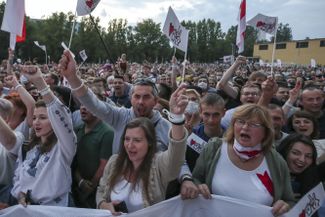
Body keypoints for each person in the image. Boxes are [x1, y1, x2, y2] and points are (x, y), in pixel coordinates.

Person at [96, 85, 188, 215]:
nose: (130, 145)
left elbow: (176, 155)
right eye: (127, 139)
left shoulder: (158, 165)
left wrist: (177, 118)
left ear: (150, 143)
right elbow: (101, 190)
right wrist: (103, 204)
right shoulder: (114, 162)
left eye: (137, 140)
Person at [58, 50, 171, 154]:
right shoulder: (120, 116)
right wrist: (72, 78)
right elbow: (94, 104)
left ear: (156, 100)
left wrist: (185, 176)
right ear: (130, 98)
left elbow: (179, 162)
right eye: (137, 96)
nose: (140, 101)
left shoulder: (167, 127)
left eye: (146, 97)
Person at [192, 104, 295, 216]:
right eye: (240, 121)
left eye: (254, 124)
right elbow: (196, 179)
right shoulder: (214, 148)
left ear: (266, 131)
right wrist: (198, 186)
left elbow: (288, 200)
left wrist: (285, 206)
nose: (245, 127)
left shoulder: (276, 161)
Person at [5, 65, 76, 207]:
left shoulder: (64, 147)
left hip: (56, 211)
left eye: (43, 117)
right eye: (35, 117)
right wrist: (20, 194)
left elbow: (61, 115)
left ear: (54, 121)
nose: (36, 122)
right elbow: (18, 177)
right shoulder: (27, 147)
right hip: (28, 210)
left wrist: (40, 83)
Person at [72, 104, 114, 208]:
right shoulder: (77, 130)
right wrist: (80, 181)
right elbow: (74, 159)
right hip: (77, 187)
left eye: (87, 104)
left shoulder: (107, 132)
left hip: (96, 192)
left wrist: (91, 186)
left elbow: (104, 165)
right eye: (81, 104)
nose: (83, 108)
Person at [277, 134, 325, 217]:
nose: (302, 160)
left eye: (308, 156)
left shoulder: (313, 174)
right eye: (296, 153)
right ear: (285, 152)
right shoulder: (270, 171)